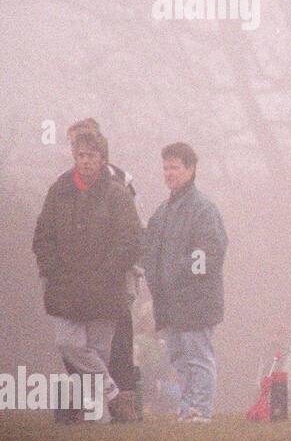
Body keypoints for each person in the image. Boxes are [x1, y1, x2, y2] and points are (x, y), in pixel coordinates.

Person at [32, 128, 142, 422]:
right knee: (69, 344)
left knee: (96, 354)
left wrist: (108, 272)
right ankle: (115, 397)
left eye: (91, 155)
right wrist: (54, 271)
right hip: (65, 289)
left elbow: (131, 239)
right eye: (80, 155)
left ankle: (98, 417)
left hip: (105, 291)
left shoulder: (117, 193)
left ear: (102, 158)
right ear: (74, 156)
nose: (85, 161)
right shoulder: (59, 190)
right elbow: (43, 237)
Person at [142, 142, 228, 423]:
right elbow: (147, 249)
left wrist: (179, 271)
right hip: (169, 304)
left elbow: (212, 252)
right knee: (179, 359)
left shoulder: (203, 209)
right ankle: (187, 409)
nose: (168, 172)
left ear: (191, 170)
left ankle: (200, 410)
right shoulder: (162, 212)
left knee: (198, 358)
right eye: (166, 167)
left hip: (196, 302)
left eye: (175, 167)